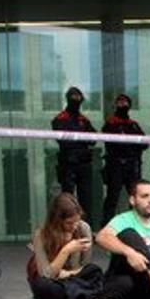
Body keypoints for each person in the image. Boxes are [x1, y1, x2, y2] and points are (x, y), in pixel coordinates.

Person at [27, 193, 120, 299]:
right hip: (54, 282)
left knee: (95, 271)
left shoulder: (83, 228)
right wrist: (66, 250)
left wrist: (68, 273)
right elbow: (47, 274)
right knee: (43, 286)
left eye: (77, 221)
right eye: (69, 223)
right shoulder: (41, 235)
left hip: (74, 279)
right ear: (57, 220)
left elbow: (84, 266)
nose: (74, 226)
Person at [52, 86, 97, 224]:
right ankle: (66, 228)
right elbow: (63, 141)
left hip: (83, 164)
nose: (76, 100)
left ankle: (85, 228)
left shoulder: (83, 119)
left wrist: (79, 138)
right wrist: (82, 138)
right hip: (68, 164)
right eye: (74, 97)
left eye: (79, 98)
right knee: (67, 199)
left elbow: (93, 139)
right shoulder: (60, 118)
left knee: (86, 198)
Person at [100, 93, 144, 224]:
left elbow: (143, 142)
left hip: (131, 165)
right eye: (119, 103)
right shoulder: (110, 123)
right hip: (115, 165)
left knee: (135, 196)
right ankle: (106, 226)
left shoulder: (133, 125)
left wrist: (131, 149)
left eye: (125, 103)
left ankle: (137, 225)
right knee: (112, 197)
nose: (122, 105)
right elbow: (109, 141)